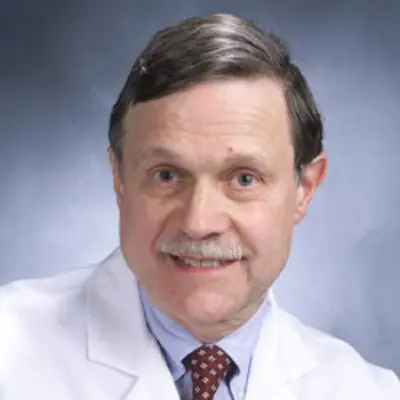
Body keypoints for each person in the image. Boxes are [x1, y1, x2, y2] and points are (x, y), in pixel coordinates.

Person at [0, 13, 399, 400]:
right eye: (166, 175)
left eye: (244, 179)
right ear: (120, 180)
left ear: (304, 189)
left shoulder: (368, 391)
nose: (198, 221)